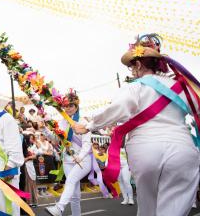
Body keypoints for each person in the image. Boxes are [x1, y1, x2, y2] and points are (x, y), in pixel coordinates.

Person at [73, 34, 200, 216]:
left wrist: (89, 124)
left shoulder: (135, 86)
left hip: (145, 149)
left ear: (139, 64)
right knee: (174, 208)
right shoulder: (181, 87)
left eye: (132, 66)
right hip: (182, 148)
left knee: (148, 205)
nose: (131, 71)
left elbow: (118, 108)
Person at [44, 90, 93, 216]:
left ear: (76, 107)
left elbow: (87, 143)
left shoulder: (83, 121)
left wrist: (80, 156)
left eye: (71, 105)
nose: (68, 108)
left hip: (83, 160)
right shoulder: (61, 122)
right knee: (75, 196)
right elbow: (55, 139)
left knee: (70, 180)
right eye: (65, 106)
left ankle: (59, 208)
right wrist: (44, 128)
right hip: (67, 160)